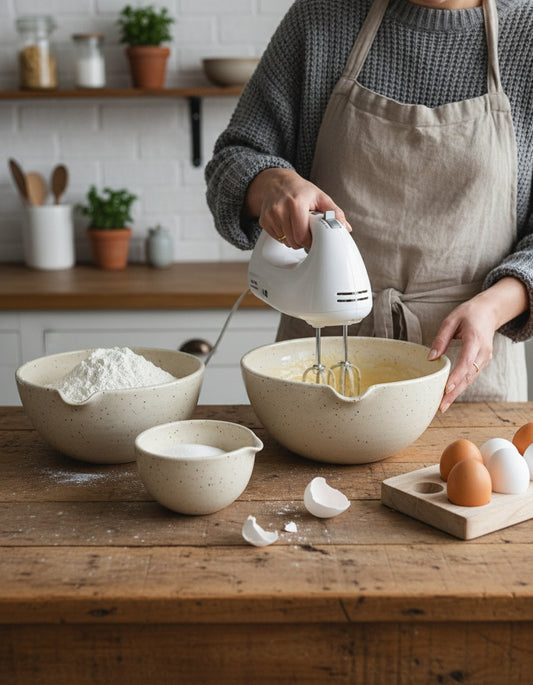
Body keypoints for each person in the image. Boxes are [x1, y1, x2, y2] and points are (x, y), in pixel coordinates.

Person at [205, 0, 533, 411]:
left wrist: (494, 305)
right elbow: (233, 160)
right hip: (319, 370)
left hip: (469, 382)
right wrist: (273, 183)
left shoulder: (526, 34)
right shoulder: (321, 18)